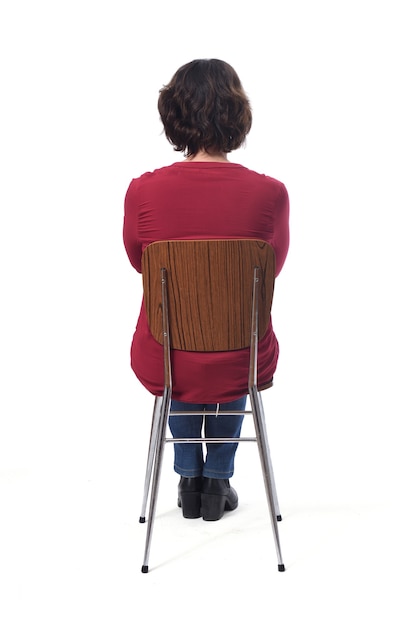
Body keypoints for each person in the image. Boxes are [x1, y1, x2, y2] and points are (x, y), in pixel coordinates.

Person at [123, 59, 290, 522]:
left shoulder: (144, 191)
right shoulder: (270, 193)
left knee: (178, 333)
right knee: (233, 326)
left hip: (167, 351)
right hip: (244, 351)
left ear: (174, 115)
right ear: (237, 114)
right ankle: (217, 479)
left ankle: (187, 477)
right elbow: (272, 267)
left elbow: (140, 261)